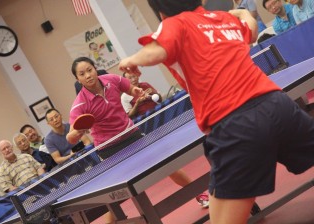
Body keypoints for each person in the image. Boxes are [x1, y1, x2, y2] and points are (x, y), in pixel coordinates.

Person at [118, 0, 314, 223]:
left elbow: (157, 51)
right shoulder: (223, 19)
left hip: (236, 125)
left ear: (160, 12)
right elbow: (250, 30)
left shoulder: (175, 23)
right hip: (278, 105)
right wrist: (243, 13)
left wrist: (130, 60)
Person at [66, 57, 207, 222]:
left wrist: (137, 92)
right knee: (118, 196)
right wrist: (76, 134)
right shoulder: (79, 104)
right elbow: (71, 137)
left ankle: (201, 194)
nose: (88, 75)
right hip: (108, 148)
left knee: (167, 166)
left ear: (95, 69)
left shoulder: (111, 80)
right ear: (78, 79)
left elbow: (129, 88)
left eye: (89, 70)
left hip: (131, 134)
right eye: (82, 74)